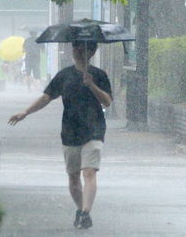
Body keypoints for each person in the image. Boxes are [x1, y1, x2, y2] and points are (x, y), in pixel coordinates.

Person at [8, 41, 112, 230]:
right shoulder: (65, 75)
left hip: (94, 131)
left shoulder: (99, 75)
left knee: (89, 172)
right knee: (73, 177)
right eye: (77, 49)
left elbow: (107, 101)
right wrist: (25, 112)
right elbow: (46, 97)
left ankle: (86, 213)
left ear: (93, 52)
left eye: (84, 50)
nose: (79, 53)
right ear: (73, 51)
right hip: (70, 131)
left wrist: (92, 85)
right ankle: (81, 210)